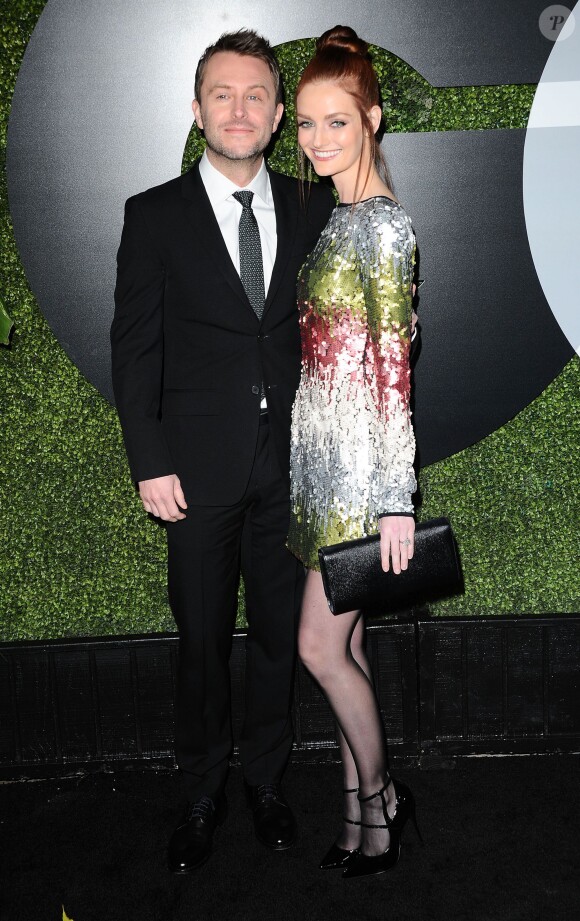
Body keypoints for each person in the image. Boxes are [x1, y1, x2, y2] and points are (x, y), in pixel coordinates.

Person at [110, 29, 334, 874]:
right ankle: (202, 789)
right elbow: (135, 350)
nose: (239, 109)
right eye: (222, 94)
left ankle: (266, 782)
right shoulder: (153, 214)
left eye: (255, 96)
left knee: (278, 636)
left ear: (278, 115)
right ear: (198, 108)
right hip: (194, 475)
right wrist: (148, 458)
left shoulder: (316, 209)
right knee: (201, 638)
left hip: (291, 470)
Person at [287, 26, 419, 879]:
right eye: (305, 123)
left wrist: (396, 497)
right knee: (351, 651)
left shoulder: (384, 228)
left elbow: (396, 366)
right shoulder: (338, 219)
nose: (319, 139)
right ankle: (357, 824)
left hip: (361, 478)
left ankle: (384, 800)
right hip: (319, 470)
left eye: (338, 121)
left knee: (318, 649)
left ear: (371, 117)